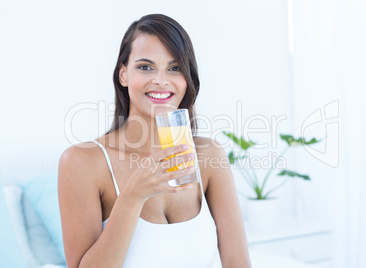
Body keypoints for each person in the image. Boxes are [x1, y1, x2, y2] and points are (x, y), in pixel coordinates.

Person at [58, 14, 251, 268]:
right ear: (123, 75)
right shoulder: (82, 162)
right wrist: (131, 198)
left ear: (187, 78)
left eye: (174, 68)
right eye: (146, 67)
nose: (161, 80)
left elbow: (238, 264)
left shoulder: (209, 155)